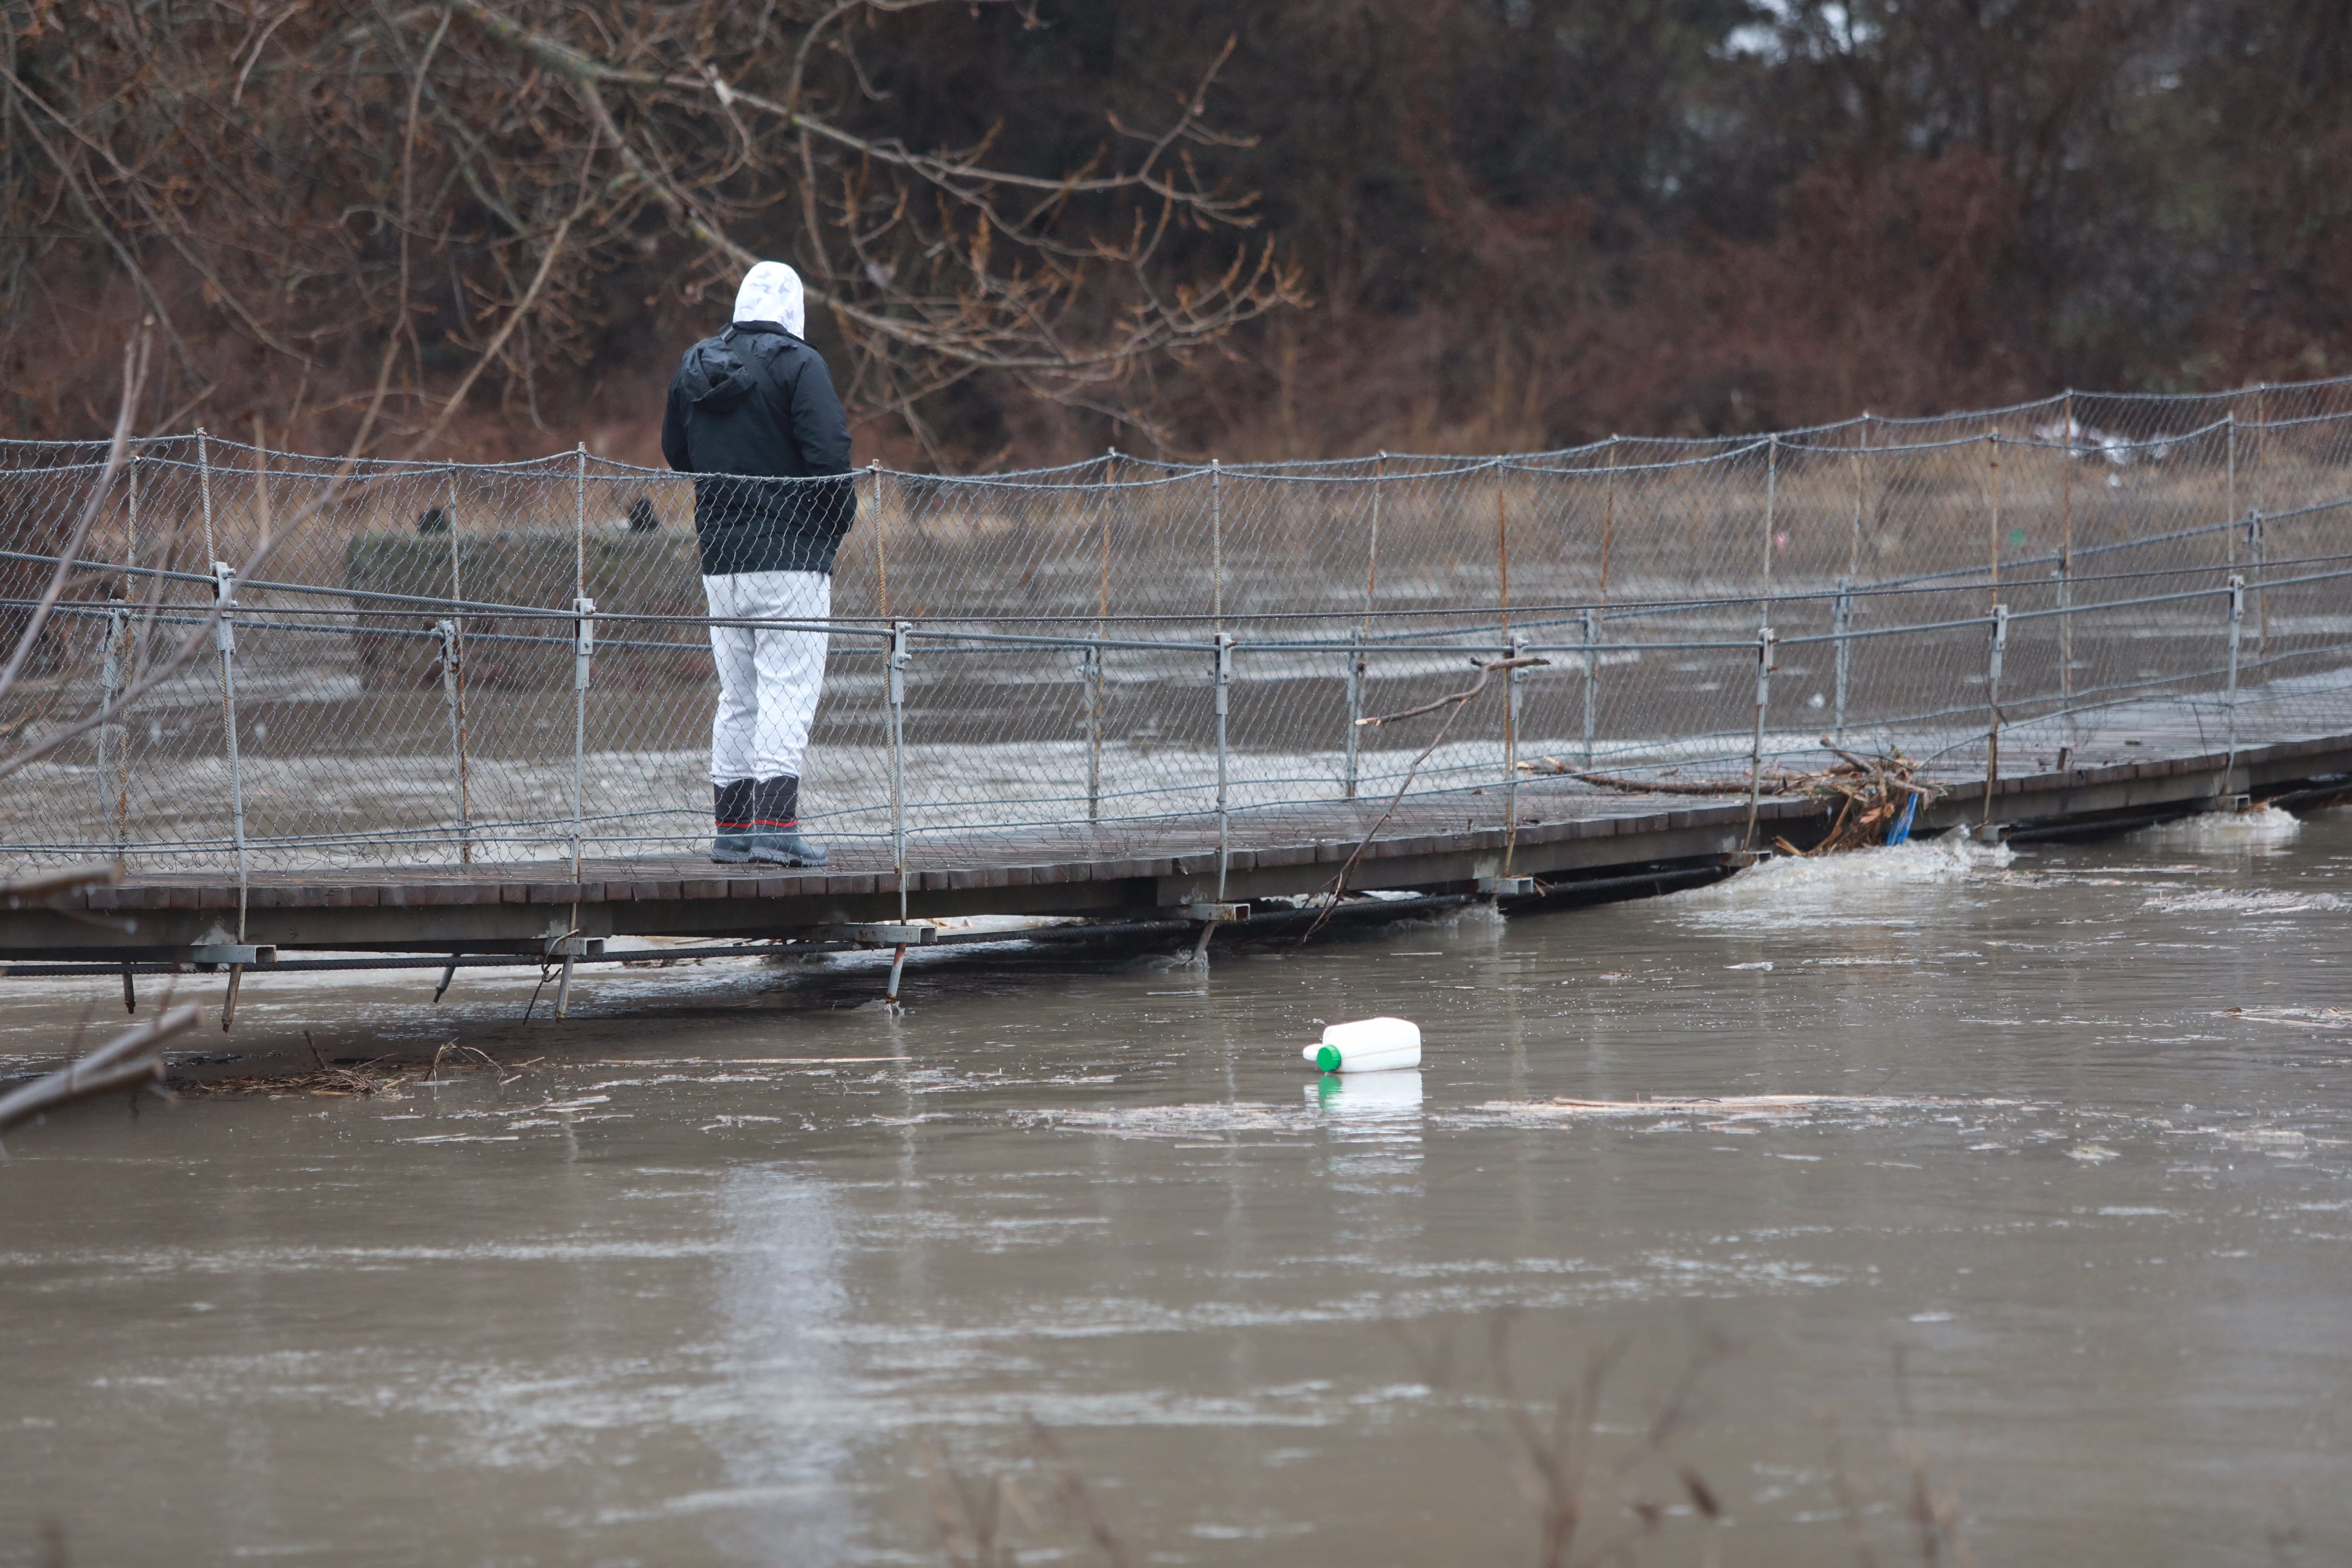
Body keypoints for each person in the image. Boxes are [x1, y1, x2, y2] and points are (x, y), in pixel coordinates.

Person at [662, 261, 855, 866]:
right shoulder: (801, 365)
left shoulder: (696, 364)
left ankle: (732, 830)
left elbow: (677, 451)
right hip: (791, 559)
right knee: (788, 694)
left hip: (721, 560)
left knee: (738, 695)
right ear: (794, 309)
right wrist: (831, 530)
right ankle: (775, 827)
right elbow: (831, 458)